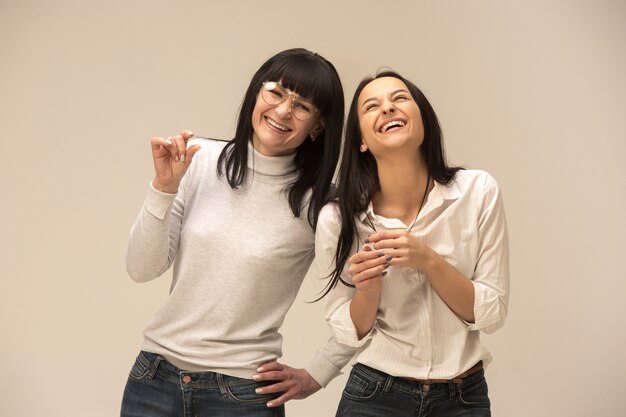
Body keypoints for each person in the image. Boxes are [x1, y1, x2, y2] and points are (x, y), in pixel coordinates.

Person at [120, 48, 347, 417]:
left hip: (242, 396)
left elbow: (361, 302)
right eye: (276, 92)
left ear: (318, 127)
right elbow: (141, 268)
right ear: (258, 93)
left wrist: (319, 373)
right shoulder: (198, 161)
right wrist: (163, 188)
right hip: (154, 380)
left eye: (303, 106)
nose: (284, 110)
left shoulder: (319, 204)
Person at [315, 71, 510, 416]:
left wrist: (428, 259)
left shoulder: (478, 191)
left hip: (463, 397)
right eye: (372, 106)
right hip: (375, 395)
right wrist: (368, 290)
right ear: (361, 140)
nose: (388, 108)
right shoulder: (338, 218)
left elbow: (490, 314)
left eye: (400, 98)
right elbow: (348, 334)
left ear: (424, 120)